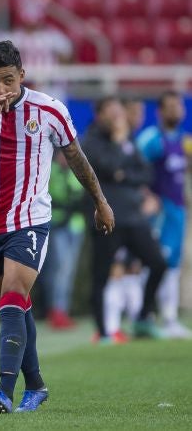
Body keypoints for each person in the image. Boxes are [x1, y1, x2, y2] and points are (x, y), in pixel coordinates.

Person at [0, 41, 114, 414]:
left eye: (8, 80)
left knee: (11, 295)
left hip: (30, 219)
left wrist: (101, 201)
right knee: (16, 307)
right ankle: (36, 386)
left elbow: (76, 158)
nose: (1, 90)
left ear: (22, 75)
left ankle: (4, 390)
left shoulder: (49, 109)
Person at [81, 96, 167, 342]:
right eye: (111, 111)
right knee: (101, 275)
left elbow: (145, 173)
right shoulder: (91, 141)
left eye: (119, 110)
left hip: (133, 217)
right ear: (100, 115)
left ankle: (142, 317)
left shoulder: (128, 139)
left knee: (158, 263)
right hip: (106, 219)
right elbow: (108, 166)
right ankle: (103, 331)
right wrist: (119, 146)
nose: (117, 116)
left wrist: (121, 174)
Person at [136, 91, 192, 338]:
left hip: (178, 212)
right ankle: (146, 314)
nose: (177, 111)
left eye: (179, 106)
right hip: (159, 213)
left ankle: (168, 318)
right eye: (170, 107)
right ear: (159, 111)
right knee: (156, 263)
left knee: (174, 265)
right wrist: (147, 197)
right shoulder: (151, 139)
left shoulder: (184, 141)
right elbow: (134, 169)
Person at [36, 149, 85, 330]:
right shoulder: (50, 171)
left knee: (68, 270)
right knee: (59, 269)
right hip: (57, 225)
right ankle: (56, 310)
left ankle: (62, 310)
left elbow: (81, 194)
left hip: (76, 225)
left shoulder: (77, 170)